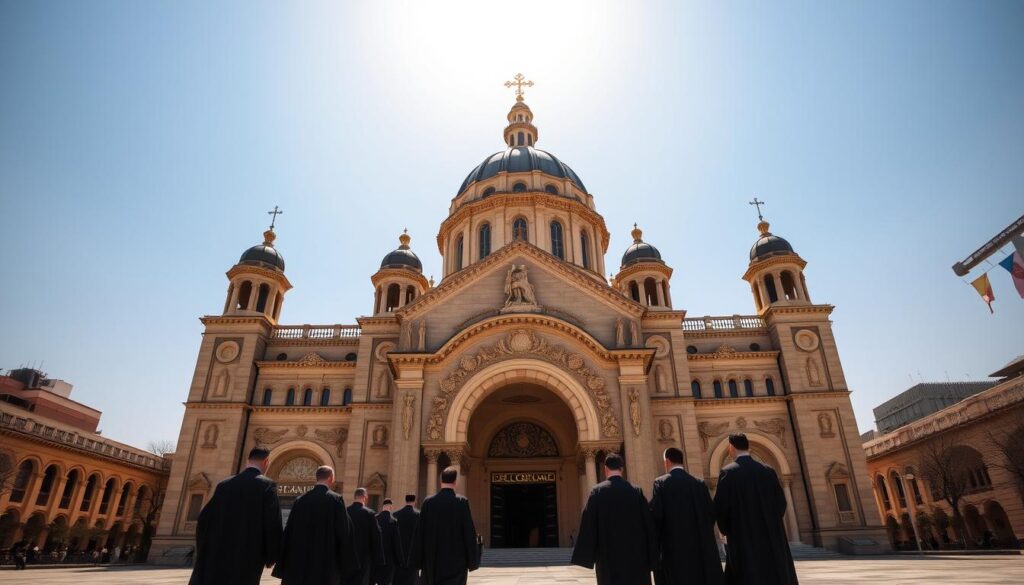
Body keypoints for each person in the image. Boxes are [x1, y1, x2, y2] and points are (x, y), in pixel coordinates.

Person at [189, 446, 283, 585]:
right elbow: (272, 524)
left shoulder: (223, 485)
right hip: (248, 555)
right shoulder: (267, 486)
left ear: (247, 460)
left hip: (217, 553)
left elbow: (204, 520)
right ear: (266, 462)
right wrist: (272, 556)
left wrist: (204, 548)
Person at [714, 434, 798, 585]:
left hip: (743, 538)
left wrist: (727, 529)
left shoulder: (728, 473)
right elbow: (781, 503)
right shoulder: (768, 471)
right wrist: (771, 522)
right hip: (771, 538)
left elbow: (721, 507)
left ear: (731, 447)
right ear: (748, 447)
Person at [571, 453, 658, 585]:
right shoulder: (636, 492)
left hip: (608, 557)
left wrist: (586, 555)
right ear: (621, 469)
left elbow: (589, 526)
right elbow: (649, 526)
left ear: (605, 469)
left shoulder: (597, 492)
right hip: (635, 556)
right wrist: (653, 557)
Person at [273, 465, 358, 585]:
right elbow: (344, 533)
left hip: (299, 563)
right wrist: (346, 563)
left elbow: (289, 531)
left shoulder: (300, 500)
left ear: (316, 478)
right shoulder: (336, 500)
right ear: (331, 478)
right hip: (325, 564)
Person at [650, 447, 723, 585]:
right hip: (699, 547)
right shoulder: (698, 484)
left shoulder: (661, 483)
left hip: (673, 548)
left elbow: (656, 516)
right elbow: (711, 513)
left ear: (667, 462)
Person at [410, 467, 480, 585]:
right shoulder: (462, 502)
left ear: (440, 481)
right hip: (456, 562)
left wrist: (417, 562)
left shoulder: (428, 502)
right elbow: (469, 532)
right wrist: (472, 561)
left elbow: (419, 534)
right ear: (455, 482)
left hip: (433, 561)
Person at [344, 487, 384, 585]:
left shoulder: (345, 512)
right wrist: (379, 559)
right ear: (365, 497)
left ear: (354, 497)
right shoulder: (369, 514)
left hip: (346, 557)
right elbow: (376, 537)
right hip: (364, 558)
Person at [372, 498, 405, 585]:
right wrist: (400, 560)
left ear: (383, 506)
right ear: (391, 507)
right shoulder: (393, 521)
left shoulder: (375, 519)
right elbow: (396, 543)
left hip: (375, 558)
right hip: (389, 560)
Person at [393, 494, 420, 585]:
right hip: (413, 553)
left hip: (398, 554)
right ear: (415, 501)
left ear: (406, 500)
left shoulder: (396, 514)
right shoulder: (419, 515)